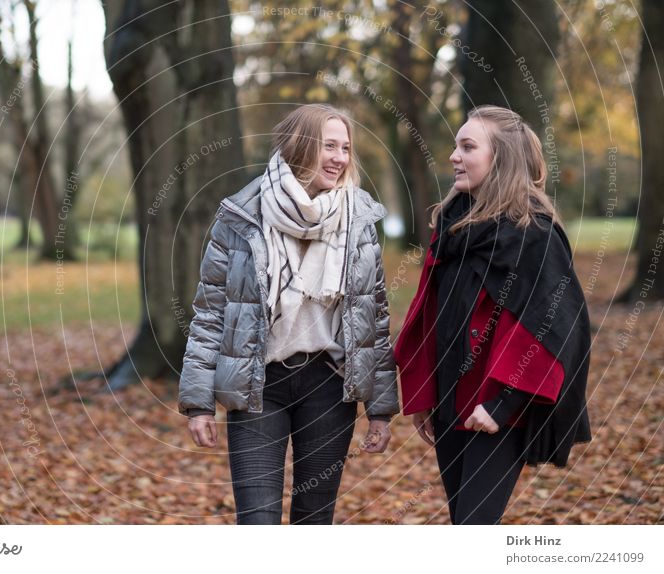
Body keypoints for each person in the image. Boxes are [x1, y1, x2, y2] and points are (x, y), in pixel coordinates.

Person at [179, 103, 398, 525]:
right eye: (328, 146)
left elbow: (374, 318)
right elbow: (211, 313)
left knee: (313, 521)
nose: (339, 158)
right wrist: (198, 403)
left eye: (346, 148)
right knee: (257, 521)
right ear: (300, 147)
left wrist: (381, 409)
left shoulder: (359, 220)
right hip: (260, 384)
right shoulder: (242, 216)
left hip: (329, 386)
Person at [394, 105, 591, 525]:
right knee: (462, 523)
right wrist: (427, 395)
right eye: (455, 145)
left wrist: (503, 403)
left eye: (468, 146)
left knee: (474, 528)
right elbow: (434, 315)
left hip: (497, 412)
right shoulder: (453, 227)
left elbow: (556, 326)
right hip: (451, 403)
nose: (453, 155)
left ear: (500, 159)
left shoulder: (534, 234)